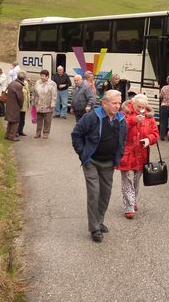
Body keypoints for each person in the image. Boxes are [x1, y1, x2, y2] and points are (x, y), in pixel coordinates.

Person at [71, 90, 126, 243]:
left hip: (109, 162)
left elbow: (122, 140)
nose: (117, 106)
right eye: (114, 103)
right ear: (104, 103)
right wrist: (83, 154)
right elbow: (76, 134)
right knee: (94, 193)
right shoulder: (92, 117)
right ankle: (94, 228)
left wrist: (118, 156)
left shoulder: (121, 119)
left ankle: (99, 221)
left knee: (105, 194)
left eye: (119, 103)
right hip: (92, 161)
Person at [116, 94, 159, 218]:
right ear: (133, 104)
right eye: (139, 106)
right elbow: (118, 128)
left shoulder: (149, 116)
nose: (141, 109)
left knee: (136, 180)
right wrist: (133, 121)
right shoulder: (125, 113)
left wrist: (149, 139)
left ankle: (133, 200)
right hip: (127, 152)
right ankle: (129, 207)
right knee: (128, 180)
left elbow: (155, 133)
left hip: (142, 153)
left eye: (143, 107)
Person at [33, 69, 57, 139]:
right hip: (39, 104)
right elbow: (34, 93)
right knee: (39, 120)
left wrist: (52, 104)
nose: (41, 77)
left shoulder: (52, 84)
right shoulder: (38, 82)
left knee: (47, 120)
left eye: (43, 76)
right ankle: (38, 133)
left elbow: (54, 95)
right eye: (41, 76)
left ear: (47, 76)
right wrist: (34, 103)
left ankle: (46, 133)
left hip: (48, 105)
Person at [4, 72, 25, 141]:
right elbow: (20, 97)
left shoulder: (12, 83)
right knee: (15, 121)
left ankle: (7, 134)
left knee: (10, 121)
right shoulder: (19, 85)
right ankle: (12, 136)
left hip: (9, 104)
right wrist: (21, 105)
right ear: (23, 79)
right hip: (15, 105)